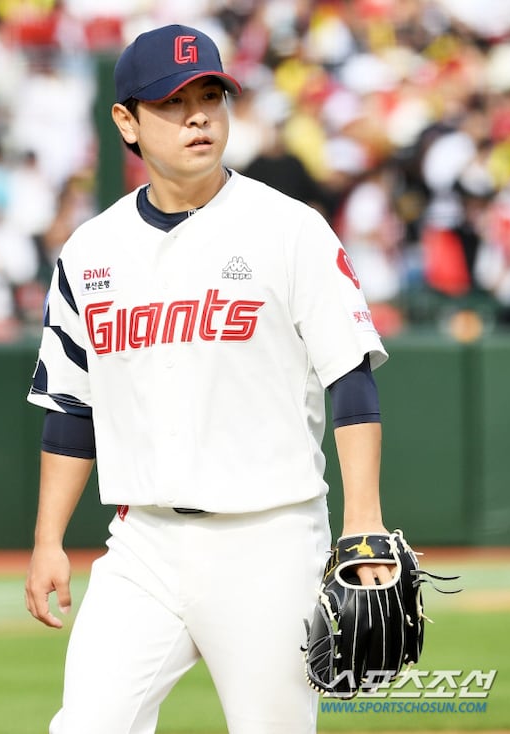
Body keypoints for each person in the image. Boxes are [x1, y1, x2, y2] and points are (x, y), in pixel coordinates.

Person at [25, 23, 393, 734]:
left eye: (210, 96)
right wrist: (48, 541)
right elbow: (71, 409)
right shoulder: (91, 250)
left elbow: (351, 380)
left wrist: (364, 521)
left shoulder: (290, 229)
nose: (198, 116)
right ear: (126, 122)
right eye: (173, 102)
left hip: (269, 538)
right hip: (143, 542)